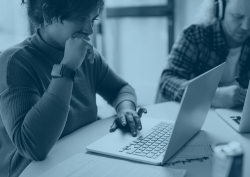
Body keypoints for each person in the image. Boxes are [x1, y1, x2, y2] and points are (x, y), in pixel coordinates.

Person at [0, 1, 147, 176]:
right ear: (47, 15)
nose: (90, 30)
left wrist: (126, 109)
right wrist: (67, 68)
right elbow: (33, 147)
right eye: (80, 18)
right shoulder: (16, 62)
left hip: (82, 161)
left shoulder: (87, 56)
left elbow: (121, 89)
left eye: (93, 19)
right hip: (31, 171)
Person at [156, 0, 250, 108]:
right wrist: (211, 96)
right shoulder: (195, 35)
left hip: (233, 117)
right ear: (219, 9)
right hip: (193, 115)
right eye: (238, 17)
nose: (246, 27)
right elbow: (166, 81)